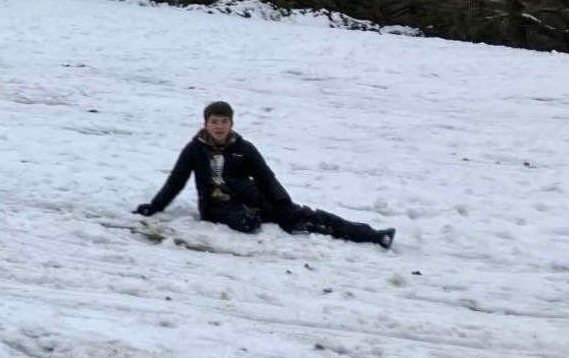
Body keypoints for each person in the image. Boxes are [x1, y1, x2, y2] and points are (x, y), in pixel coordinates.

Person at [135, 101, 395, 248]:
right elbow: (176, 180)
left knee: (302, 217)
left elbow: (265, 177)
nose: (219, 126)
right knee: (245, 223)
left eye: (223, 122)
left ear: (231, 124)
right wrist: (155, 206)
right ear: (206, 124)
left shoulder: (244, 149)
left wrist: (282, 202)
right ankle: (254, 217)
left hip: (251, 197)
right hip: (216, 205)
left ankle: (371, 235)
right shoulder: (194, 150)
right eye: (214, 121)